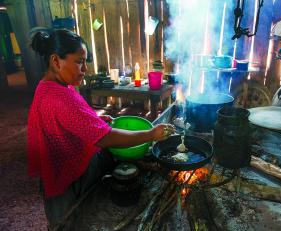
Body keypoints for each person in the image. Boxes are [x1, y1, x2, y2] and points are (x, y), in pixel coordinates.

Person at [27, 29, 175, 229]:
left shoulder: (50, 86)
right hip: (66, 180)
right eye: (80, 62)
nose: (85, 69)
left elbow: (65, 121)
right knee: (68, 224)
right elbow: (105, 138)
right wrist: (150, 134)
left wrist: (94, 118)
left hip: (60, 169)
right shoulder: (60, 97)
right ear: (56, 61)